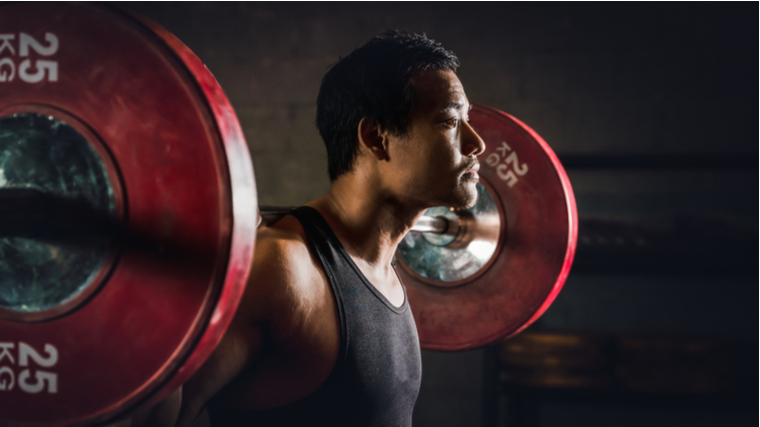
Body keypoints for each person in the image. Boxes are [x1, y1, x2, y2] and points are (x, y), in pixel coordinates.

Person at [134, 30, 485, 427]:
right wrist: (167, 281)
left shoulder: (383, 272)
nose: (476, 143)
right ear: (376, 138)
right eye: (450, 121)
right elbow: (155, 415)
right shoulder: (283, 267)